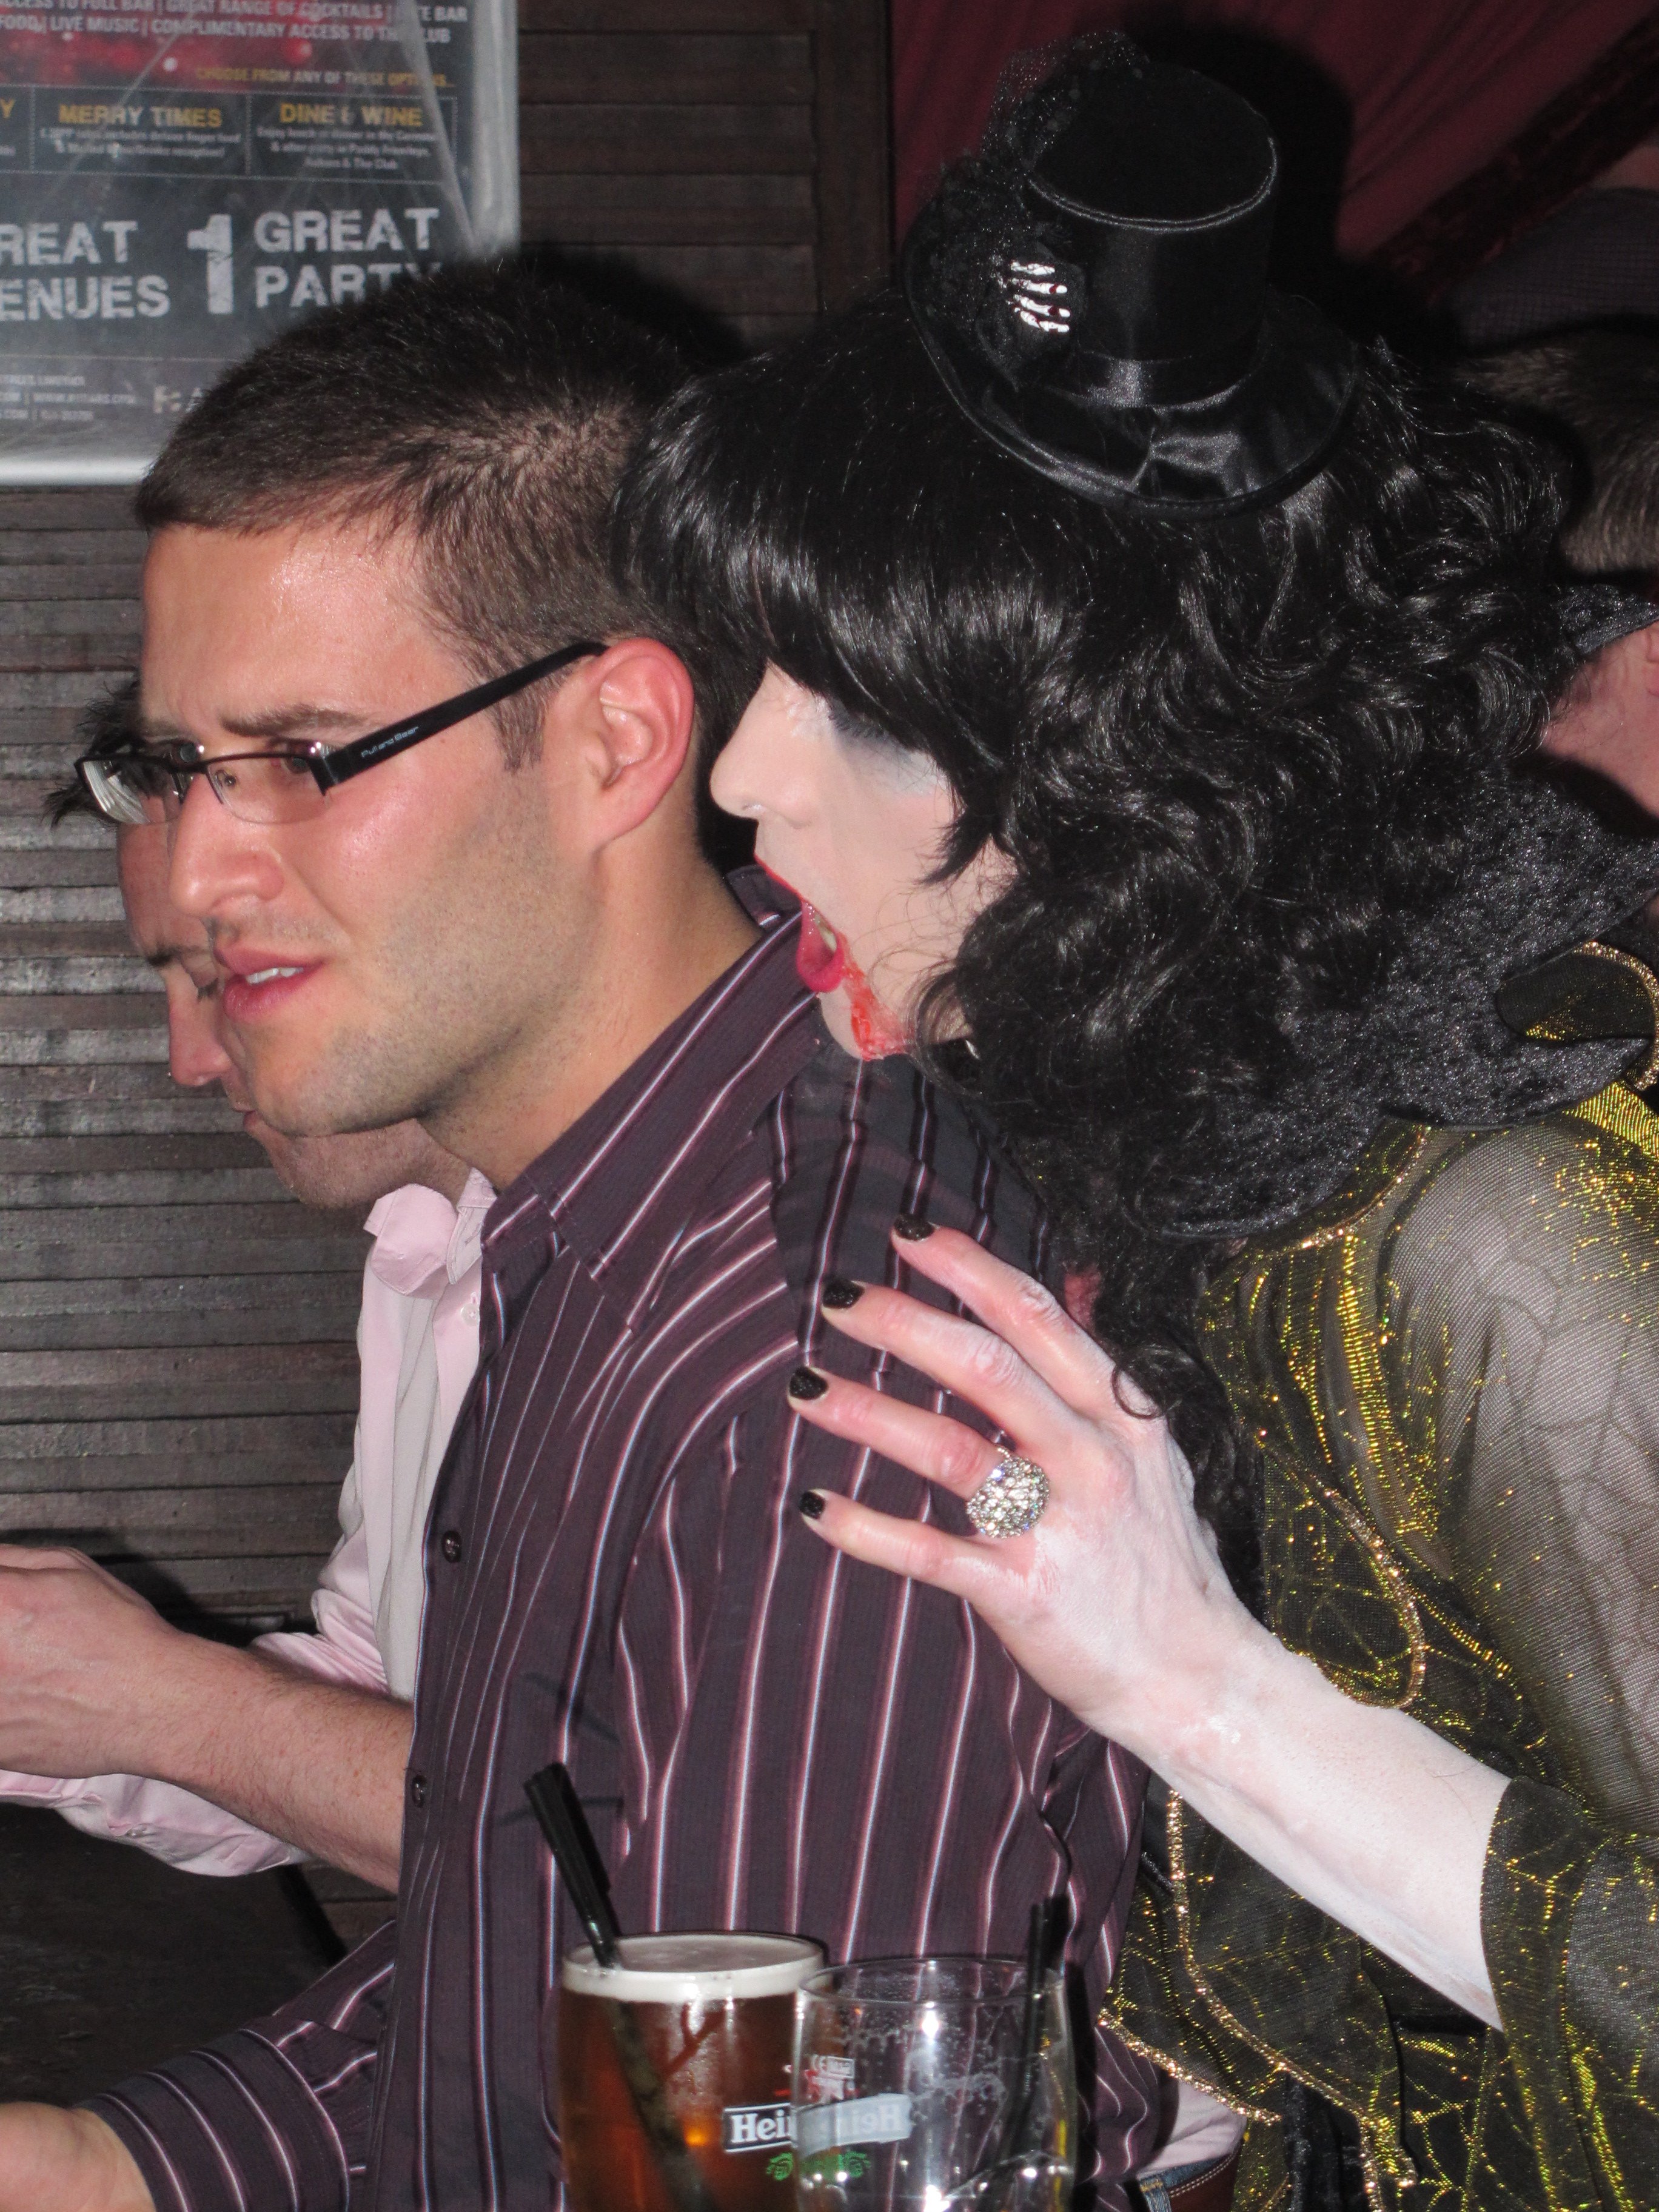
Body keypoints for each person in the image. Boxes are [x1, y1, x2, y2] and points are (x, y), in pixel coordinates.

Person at [0, 257, 1163, 2212]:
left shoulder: (813, 1341)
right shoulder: (597, 1229)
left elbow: (780, 2167)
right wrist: (90, 2164)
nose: (199, 870)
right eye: (180, 771)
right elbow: (530, 1983)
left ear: (621, 739)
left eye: (306, 759)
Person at [613, 41, 1659, 2210]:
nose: (742, 779)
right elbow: (1338, 2037)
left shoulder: (1500, 1227)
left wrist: (1191, 1679)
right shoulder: (1244, 1151)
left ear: (1127, 766)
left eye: (858, 700)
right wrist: (837, 2125)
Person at [0, 702, 485, 1880]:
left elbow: (631, 1851)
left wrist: (165, 1700)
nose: (192, 1060)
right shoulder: (419, 1245)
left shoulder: (726, 1241)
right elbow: (373, 1700)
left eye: (234, 975)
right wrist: (67, 1692)